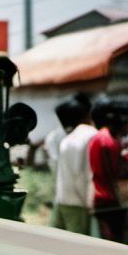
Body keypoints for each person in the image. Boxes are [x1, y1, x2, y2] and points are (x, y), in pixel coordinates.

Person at [88, 95, 128, 244]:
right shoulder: (108, 141)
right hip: (111, 201)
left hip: (102, 199)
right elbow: (118, 172)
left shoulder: (99, 137)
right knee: (116, 243)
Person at [51, 96, 96, 234]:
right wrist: (89, 202)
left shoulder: (67, 139)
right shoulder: (91, 135)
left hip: (63, 198)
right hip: (79, 202)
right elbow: (86, 174)